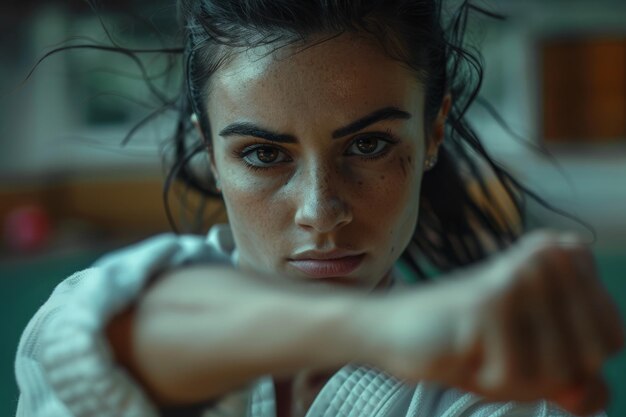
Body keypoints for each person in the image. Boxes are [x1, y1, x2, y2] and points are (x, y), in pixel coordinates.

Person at [15, 1, 624, 416]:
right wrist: (387, 331)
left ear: (433, 133)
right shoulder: (99, 306)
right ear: (210, 151)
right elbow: (89, 344)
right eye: (261, 154)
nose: (320, 211)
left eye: (369, 145)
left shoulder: (497, 391)